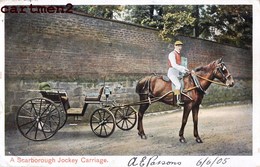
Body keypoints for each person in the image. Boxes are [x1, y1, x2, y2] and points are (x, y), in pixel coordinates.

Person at [167, 40, 189, 105]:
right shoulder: (172, 54)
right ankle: (177, 100)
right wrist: (183, 69)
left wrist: (185, 69)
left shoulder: (179, 55)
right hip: (172, 73)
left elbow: (180, 65)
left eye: (180, 46)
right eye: (178, 46)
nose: (180, 47)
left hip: (178, 73)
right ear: (175, 46)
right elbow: (174, 65)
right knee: (178, 85)